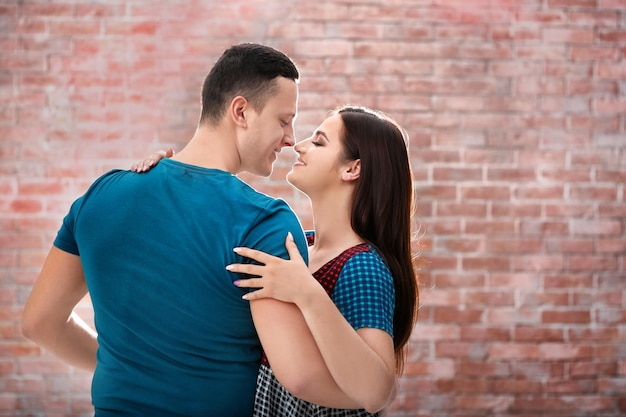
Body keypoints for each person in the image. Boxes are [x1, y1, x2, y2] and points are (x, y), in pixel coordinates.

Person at [21, 43, 310, 417]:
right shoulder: (265, 222)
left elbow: (38, 322)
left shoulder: (101, 196)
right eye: (284, 120)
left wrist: (129, 368)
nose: (290, 138)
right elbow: (299, 377)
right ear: (241, 111)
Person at [139, 105, 420, 416]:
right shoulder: (303, 246)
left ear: (352, 169)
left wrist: (307, 293)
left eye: (319, 142)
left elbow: (377, 391)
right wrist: (170, 177)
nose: (299, 145)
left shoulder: (362, 267)